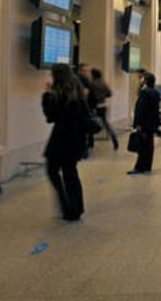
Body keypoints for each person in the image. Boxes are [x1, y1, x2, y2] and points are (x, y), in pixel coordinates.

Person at [42, 64, 87, 221]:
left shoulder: (58, 94)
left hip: (61, 137)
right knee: (70, 172)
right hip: (76, 138)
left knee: (52, 170)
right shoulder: (78, 92)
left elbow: (50, 116)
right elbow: (85, 114)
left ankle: (66, 204)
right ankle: (76, 207)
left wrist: (46, 95)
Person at [130, 72, 161, 175]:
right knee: (149, 145)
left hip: (144, 123)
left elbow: (140, 109)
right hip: (151, 123)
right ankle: (147, 166)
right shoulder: (155, 93)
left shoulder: (145, 92)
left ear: (146, 81)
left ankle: (139, 167)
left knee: (142, 146)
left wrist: (137, 123)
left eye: (143, 78)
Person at [88, 68, 118, 151]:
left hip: (95, 106)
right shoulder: (103, 83)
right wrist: (102, 97)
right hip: (103, 105)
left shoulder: (92, 83)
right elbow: (109, 93)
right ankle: (114, 137)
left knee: (90, 122)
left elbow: (90, 96)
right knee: (105, 123)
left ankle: (90, 143)